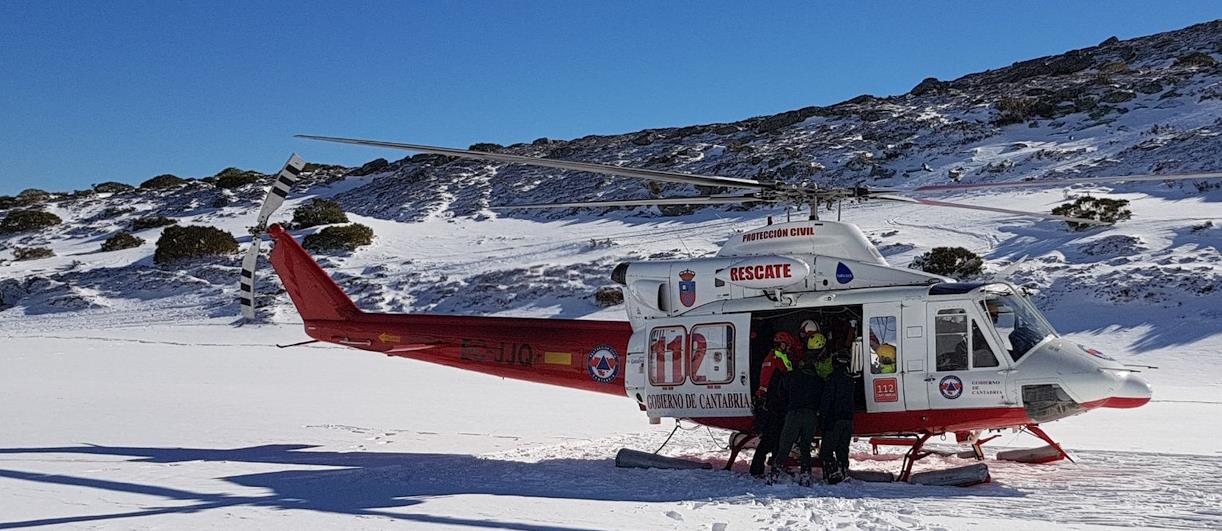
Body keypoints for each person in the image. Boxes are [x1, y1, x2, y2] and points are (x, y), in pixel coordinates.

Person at [770, 340, 825, 486]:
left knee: (785, 444)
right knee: (806, 446)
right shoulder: (818, 381)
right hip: (811, 415)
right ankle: (805, 473)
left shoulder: (792, 376)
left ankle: (775, 472)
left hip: (794, 414)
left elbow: (782, 391)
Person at [749, 331, 799, 477]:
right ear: (782, 344)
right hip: (773, 404)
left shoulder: (774, 356)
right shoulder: (777, 358)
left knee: (777, 437)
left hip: (773, 403)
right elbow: (785, 377)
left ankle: (776, 465)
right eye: (787, 345)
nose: (788, 348)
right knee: (771, 438)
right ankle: (757, 468)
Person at [819, 349, 856, 484]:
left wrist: (822, 419)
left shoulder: (831, 379)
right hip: (848, 420)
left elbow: (826, 401)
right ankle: (843, 471)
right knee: (842, 449)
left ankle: (833, 474)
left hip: (834, 420)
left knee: (826, 452)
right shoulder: (851, 380)